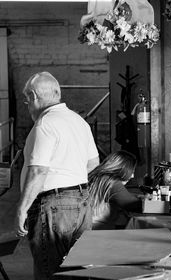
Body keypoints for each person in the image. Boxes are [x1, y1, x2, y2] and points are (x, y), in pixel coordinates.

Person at [14, 72, 100, 279]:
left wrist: (22, 209)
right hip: (82, 203)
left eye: (27, 101)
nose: (28, 107)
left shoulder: (45, 124)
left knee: (50, 271)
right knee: (78, 271)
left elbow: (38, 171)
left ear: (34, 96)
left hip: (53, 207)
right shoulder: (79, 122)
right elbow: (93, 163)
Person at [88, 151, 142, 229]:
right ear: (122, 168)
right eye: (131, 172)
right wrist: (146, 199)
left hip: (89, 227)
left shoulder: (98, 177)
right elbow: (134, 205)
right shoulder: (112, 183)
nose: (132, 176)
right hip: (100, 231)